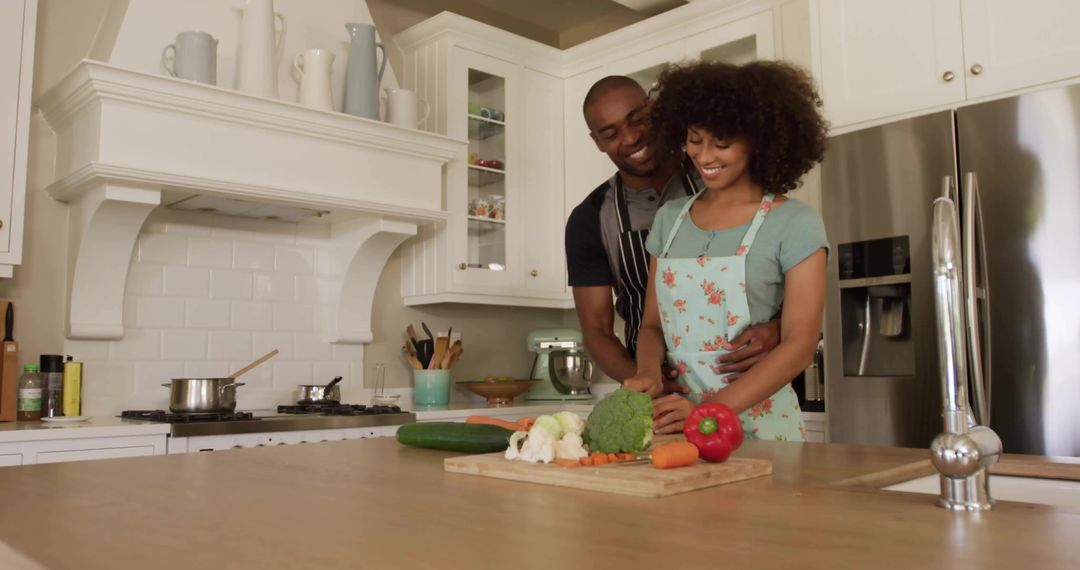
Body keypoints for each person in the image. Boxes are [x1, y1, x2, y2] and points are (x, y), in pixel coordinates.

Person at [624, 60, 829, 439]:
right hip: (676, 421)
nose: (703, 157)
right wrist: (648, 372)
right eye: (694, 139)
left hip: (760, 425)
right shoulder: (670, 219)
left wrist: (706, 411)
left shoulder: (795, 223)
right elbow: (652, 325)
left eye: (722, 143)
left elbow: (800, 344)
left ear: (759, 140)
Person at [564, 76, 779, 387]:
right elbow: (597, 331)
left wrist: (778, 329)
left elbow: (788, 284)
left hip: (751, 381)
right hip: (657, 390)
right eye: (611, 134)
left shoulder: (724, 178)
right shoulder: (590, 219)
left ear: (654, 110)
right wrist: (646, 382)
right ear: (598, 142)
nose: (631, 137)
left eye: (638, 119)